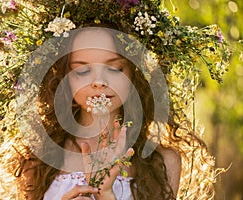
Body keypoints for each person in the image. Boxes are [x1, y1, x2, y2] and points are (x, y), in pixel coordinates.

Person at [14, 25, 181, 200]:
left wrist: (106, 196)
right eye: (82, 71)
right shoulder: (36, 158)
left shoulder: (163, 161)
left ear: (135, 73)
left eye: (115, 68)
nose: (99, 82)